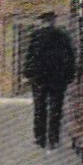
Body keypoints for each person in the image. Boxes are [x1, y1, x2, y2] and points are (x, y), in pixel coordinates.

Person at [23, 12, 76, 149]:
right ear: (53, 21)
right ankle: (54, 138)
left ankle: (40, 138)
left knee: (40, 108)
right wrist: (69, 75)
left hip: (40, 78)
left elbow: (31, 57)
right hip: (58, 78)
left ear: (43, 21)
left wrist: (28, 75)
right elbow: (70, 57)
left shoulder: (37, 36)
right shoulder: (63, 36)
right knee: (56, 108)